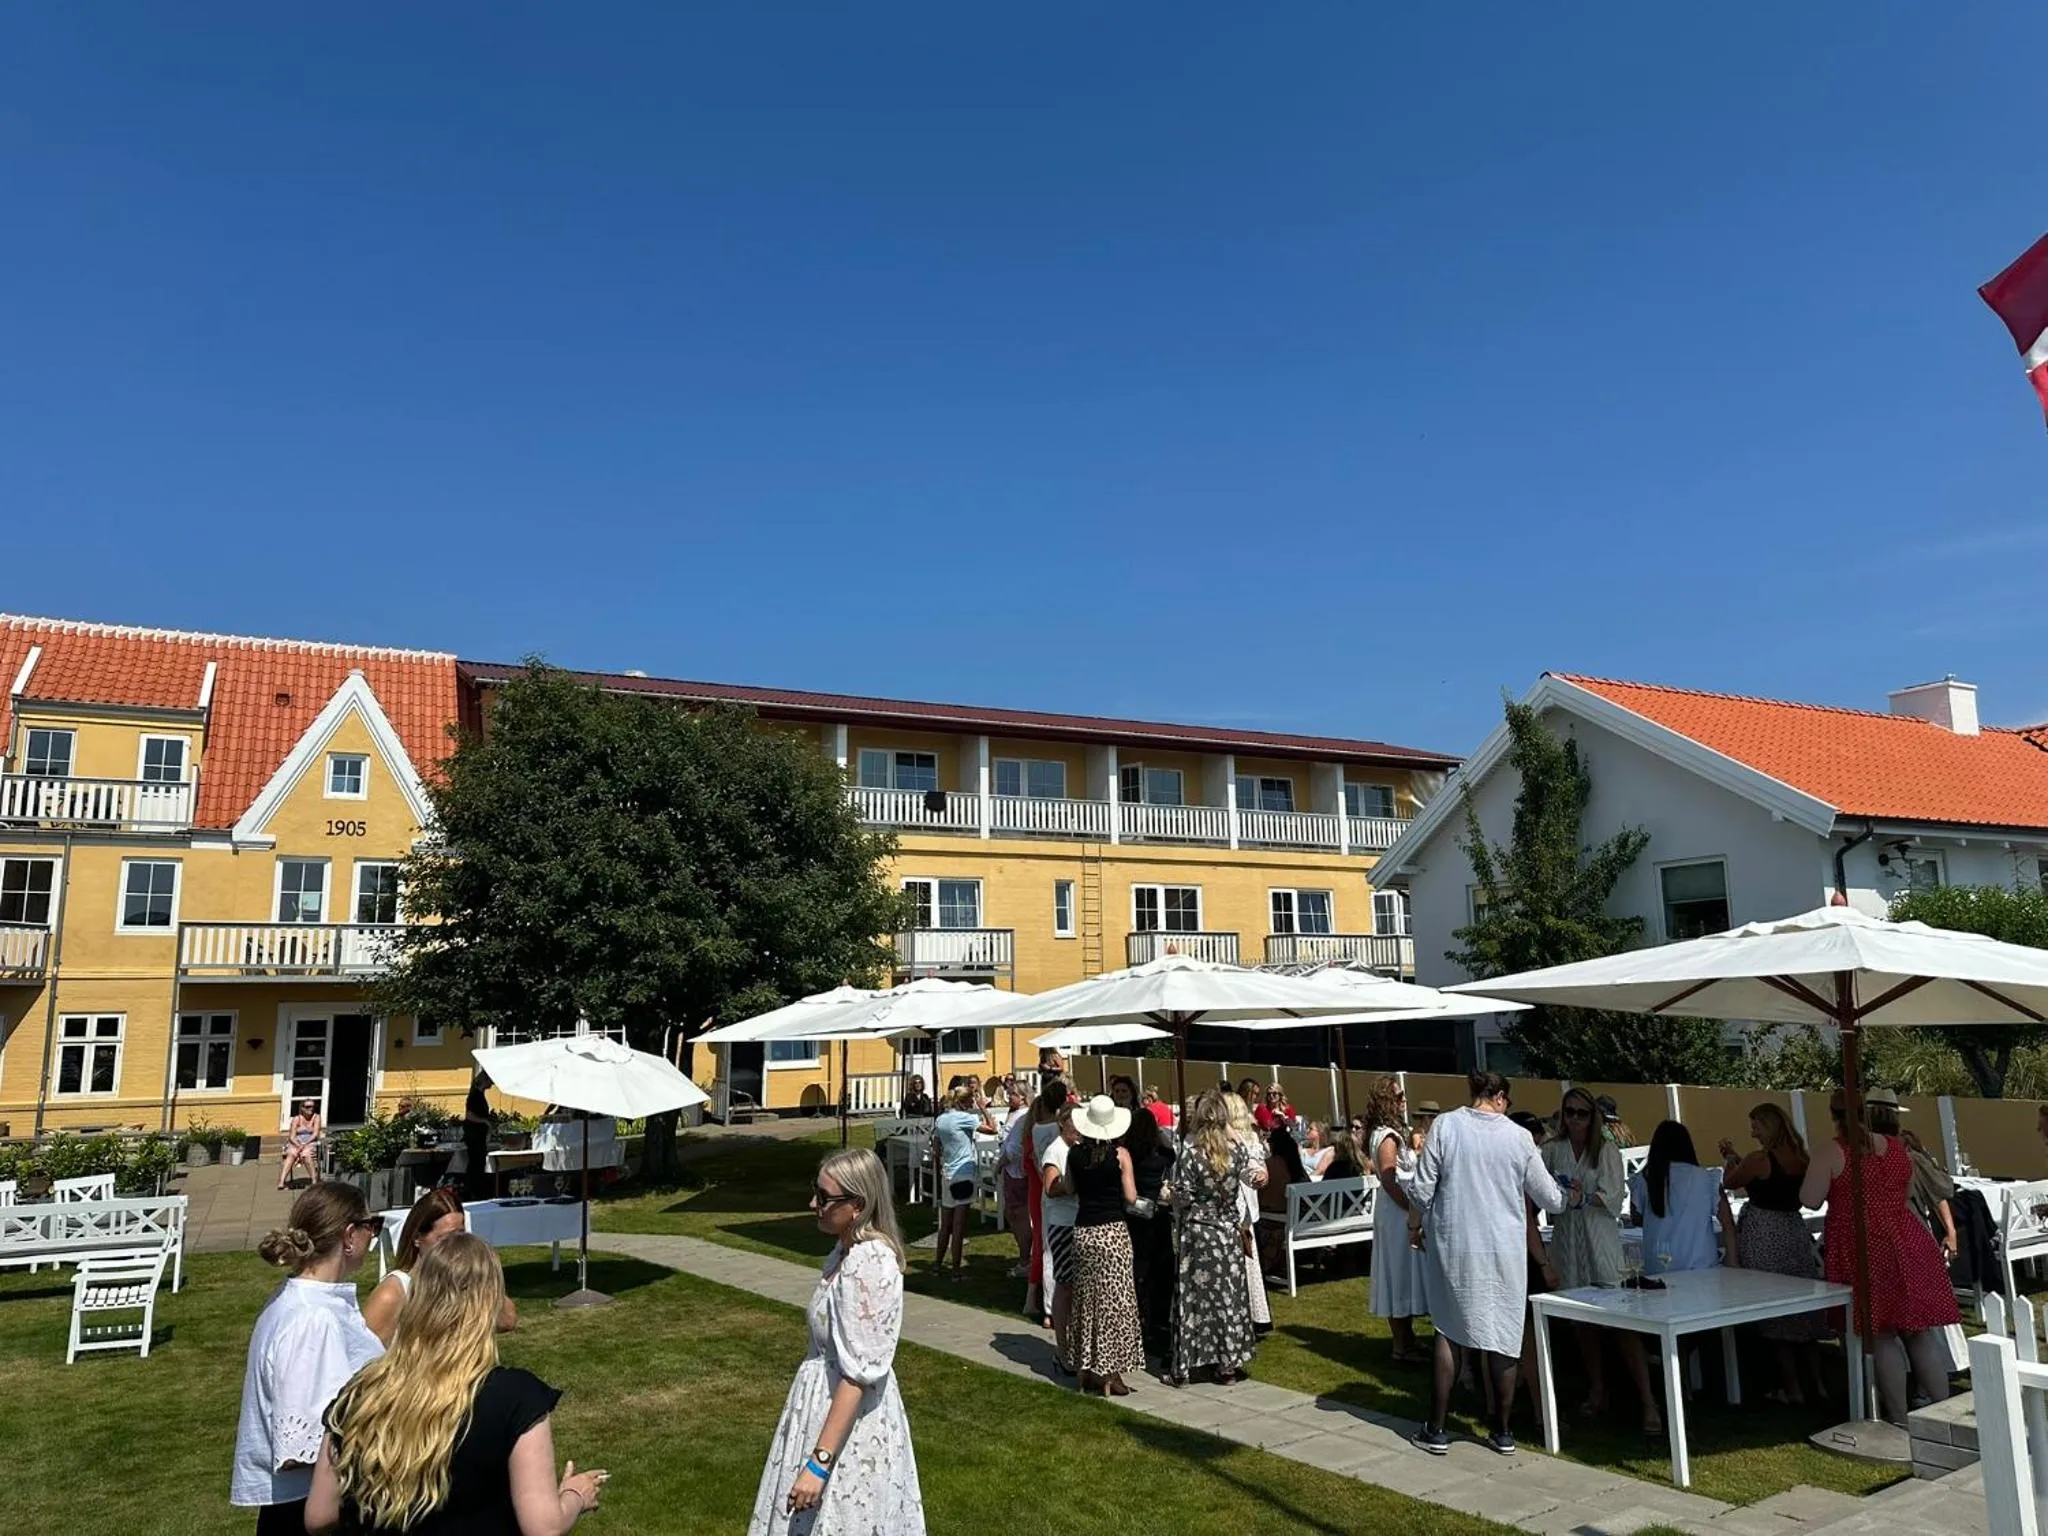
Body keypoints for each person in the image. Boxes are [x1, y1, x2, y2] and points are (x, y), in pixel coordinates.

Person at [308, 1235, 602, 1535]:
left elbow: (318, 1516)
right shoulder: (513, 1397)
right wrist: (575, 1495)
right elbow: (543, 1527)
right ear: (488, 1303)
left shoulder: (360, 1392)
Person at [748, 1148, 925, 1534]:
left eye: (825, 1198)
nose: (814, 1204)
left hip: (850, 1419)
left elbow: (858, 1374)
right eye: (817, 1192)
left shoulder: (870, 1261)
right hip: (817, 1405)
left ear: (857, 1205)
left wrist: (820, 1462)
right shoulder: (844, 1253)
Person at [1408, 1071, 1565, 1458]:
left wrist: (1415, 1223)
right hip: (1504, 1249)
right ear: (1498, 1096)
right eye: (1507, 1101)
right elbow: (1550, 1197)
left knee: (1448, 1330)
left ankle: (1438, 1427)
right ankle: (1503, 1431)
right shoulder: (1519, 1137)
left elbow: (1421, 1188)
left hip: (1457, 1244)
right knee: (1505, 1334)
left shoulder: (1446, 1126)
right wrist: (1568, 1194)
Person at [232, 1183, 387, 1534]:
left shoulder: (307, 1303)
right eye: (371, 1226)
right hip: (316, 1509)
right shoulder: (311, 1318)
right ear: (349, 1235)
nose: (372, 1237)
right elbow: (304, 1443)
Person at [1802, 1093, 1960, 1426]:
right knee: (1919, 1333)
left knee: (1882, 1333)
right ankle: (1947, 1414)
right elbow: (1903, 1195)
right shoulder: (1896, 1148)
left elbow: (1810, 1199)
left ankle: (1900, 1418)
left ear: (1834, 1115)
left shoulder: (1832, 1150)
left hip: (1862, 1244)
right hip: (1906, 1238)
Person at [1543, 1087, 1658, 1435]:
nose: (1575, 1119)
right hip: (1567, 1241)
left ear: (1592, 1117)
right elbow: (1543, 1192)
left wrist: (1581, 1196)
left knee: (1620, 1321)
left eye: (1581, 1113)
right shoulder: (1552, 1151)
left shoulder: (1606, 1151)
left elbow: (1614, 1197)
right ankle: (1598, 1387)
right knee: (1582, 1323)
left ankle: (1648, 1400)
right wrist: (1563, 1196)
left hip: (1600, 1241)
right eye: (1569, 1112)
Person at [1719, 1103, 1828, 1408]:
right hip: (1793, 1231)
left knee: (1774, 1310)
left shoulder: (1759, 1159)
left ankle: (1790, 1387)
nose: (1752, 1130)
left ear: (1767, 1126)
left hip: (1764, 1232)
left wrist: (1729, 1159)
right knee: (1802, 1310)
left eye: (1755, 1125)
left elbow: (1732, 1183)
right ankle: (1817, 1385)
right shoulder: (1801, 1159)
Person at [1170, 1090, 1265, 1385]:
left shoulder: (1192, 1154)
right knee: (1228, 1300)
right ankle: (1226, 1366)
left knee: (1192, 1301)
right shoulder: (1235, 1152)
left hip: (1198, 1233)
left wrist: (1171, 1193)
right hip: (1227, 1233)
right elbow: (1251, 1175)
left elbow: (1182, 1195)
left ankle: (1183, 1369)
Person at [363, 1187, 521, 1348]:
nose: (454, 1245)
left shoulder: (463, 1282)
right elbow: (367, 1359)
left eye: (461, 1235)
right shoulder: (393, 1293)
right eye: (445, 1238)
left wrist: (479, 1277)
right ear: (417, 1238)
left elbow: (507, 1321)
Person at [1063, 1095, 1145, 1396]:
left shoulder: (1074, 1155)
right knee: (1116, 1302)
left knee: (1087, 1302)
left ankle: (1086, 1367)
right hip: (1112, 1232)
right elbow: (1131, 1197)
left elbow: (1070, 1188)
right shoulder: (1120, 1155)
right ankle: (1111, 1372)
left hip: (1084, 1231)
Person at [1361, 1076, 1428, 1366]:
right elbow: (1389, 1177)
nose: (1404, 1101)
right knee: (1399, 1273)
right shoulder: (1387, 1135)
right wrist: (1411, 1208)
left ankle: (1407, 1340)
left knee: (1401, 1272)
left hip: (1393, 1211)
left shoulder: (1384, 1132)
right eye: (1399, 1097)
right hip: (1396, 1212)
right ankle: (1401, 1345)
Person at [1630, 1121, 1737, 1278]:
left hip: (1659, 1270)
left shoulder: (1645, 1180)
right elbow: (1728, 1224)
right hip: (1701, 1268)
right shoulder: (1706, 1179)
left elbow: (1636, 1219)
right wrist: (1732, 1262)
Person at [1867, 1091, 1959, 1263]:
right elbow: (1939, 1192)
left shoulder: (1853, 1155)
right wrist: (1951, 1232)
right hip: (1908, 1235)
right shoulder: (1907, 1156)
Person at [1122, 1100, 1176, 1360]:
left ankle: (1138, 1319)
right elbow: (1172, 1153)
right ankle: (1158, 1321)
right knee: (1162, 1270)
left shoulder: (1129, 1155)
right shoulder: (1162, 1157)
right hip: (1158, 1215)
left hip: (1133, 1218)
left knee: (1138, 1270)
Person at [930, 1084, 994, 1279]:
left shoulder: (941, 1119)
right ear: (960, 1102)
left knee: (945, 1225)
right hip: (964, 1173)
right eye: (969, 1101)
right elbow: (992, 1129)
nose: (971, 1104)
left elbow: (936, 1146)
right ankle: (956, 1270)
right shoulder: (966, 1118)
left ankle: (937, 1264)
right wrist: (983, 1107)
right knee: (959, 1227)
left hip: (947, 1173)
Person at [1223, 1092, 1274, 1335]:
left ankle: (1252, 1315)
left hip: (1240, 1207)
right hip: (1235, 1205)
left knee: (1245, 1261)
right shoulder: (1223, 1141)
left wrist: (1260, 1175)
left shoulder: (1248, 1141)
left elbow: (1258, 1170)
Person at [1040, 1104, 1084, 1367]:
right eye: (1074, 1125)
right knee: (1065, 1284)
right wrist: (1071, 1184)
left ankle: (1075, 1341)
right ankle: (1063, 1346)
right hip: (1062, 1222)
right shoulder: (1055, 1150)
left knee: (1076, 1285)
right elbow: (1049, 1187)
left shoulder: (1077, 1149)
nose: (1078, 1130)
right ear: (1063, 1125)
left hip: (1079, 1220)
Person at [1024, 1076, 1068, 1325]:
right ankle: (1054, 1307)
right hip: (1058, 1189)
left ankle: (1048, 1306)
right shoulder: (1058, 1131)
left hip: (1042, 1188)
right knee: (1056, 1249)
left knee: (1047, 1248)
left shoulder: (1036, 1127)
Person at [1256, 1125, 1310, 1277]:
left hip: (1280, 1221)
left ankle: (1270, 1262)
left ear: (1273, 1145)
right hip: (1299, 1220)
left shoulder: (1269, 1166)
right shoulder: (1296, 1166)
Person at [997, 1084, 1034, 1275]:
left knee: (1017, 1215)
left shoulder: (1022, 1116)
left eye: (1014, 1094)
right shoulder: (1015, 1114)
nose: (1010, 1097)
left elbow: (1014, 1147)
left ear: (1024, 1097)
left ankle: (1024, 1258)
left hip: (1016, 1171)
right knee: (1012, 1214)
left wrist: (1000, 1164)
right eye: (1009, 1093)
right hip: (1013, 1170)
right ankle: (1025, 1257)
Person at [460, 1070, 493, 1197]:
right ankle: (473, 1190)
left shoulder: (480, 1094)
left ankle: (476, 1189)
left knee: (478, 1162)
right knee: (476, 1163)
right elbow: (469, 1115)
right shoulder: (474, 1095)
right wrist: (485, 1121)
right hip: (474, 1135)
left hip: (478, 1135)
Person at [279, 1099, 323, 1190]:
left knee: (305, 1154)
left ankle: (314, 1180)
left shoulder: (316, 1117)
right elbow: (292, 1136)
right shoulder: (296, 1119)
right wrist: (299, 1145)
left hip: (310, 1143)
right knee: (291, 1154)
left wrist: (305, 1144)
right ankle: (282, 1181)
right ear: (302, 1108)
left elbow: (315, 1134)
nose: (311, 1109)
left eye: (312, 1106)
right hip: (296, 1143)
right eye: (308, 1107)